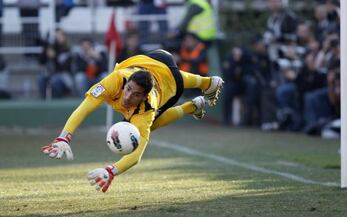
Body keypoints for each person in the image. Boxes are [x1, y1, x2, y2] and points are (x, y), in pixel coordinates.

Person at [41, 49, 224, 193]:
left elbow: (136, 156)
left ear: (144, 97)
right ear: (126, 82)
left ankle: (192, 105)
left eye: (136, 94)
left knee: (153, 122)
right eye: (128, 89)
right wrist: (63, 137)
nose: (127, 97)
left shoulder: (147, 108)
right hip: (152, 58)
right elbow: (85, 107)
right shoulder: (115, 80)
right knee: (169, 78)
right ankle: (207, 85)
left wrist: (111, 170)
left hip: (168, 80)